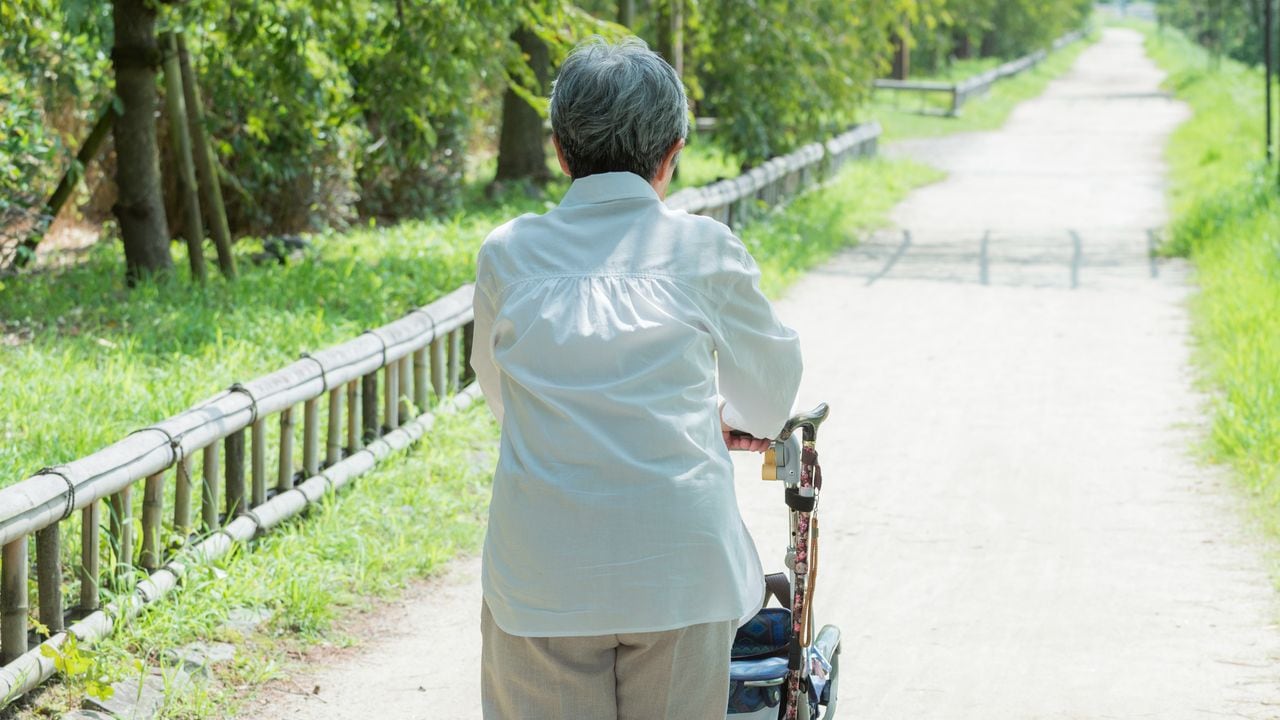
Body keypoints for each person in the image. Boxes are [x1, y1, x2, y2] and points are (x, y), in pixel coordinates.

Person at [470, 36, 802, 720]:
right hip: (679, 575)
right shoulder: (701, 250)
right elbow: (769, 402)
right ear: (672, 152)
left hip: (542, 577)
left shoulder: (508, 256)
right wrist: (713, 413)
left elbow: (503, 397)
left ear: (561, 152)